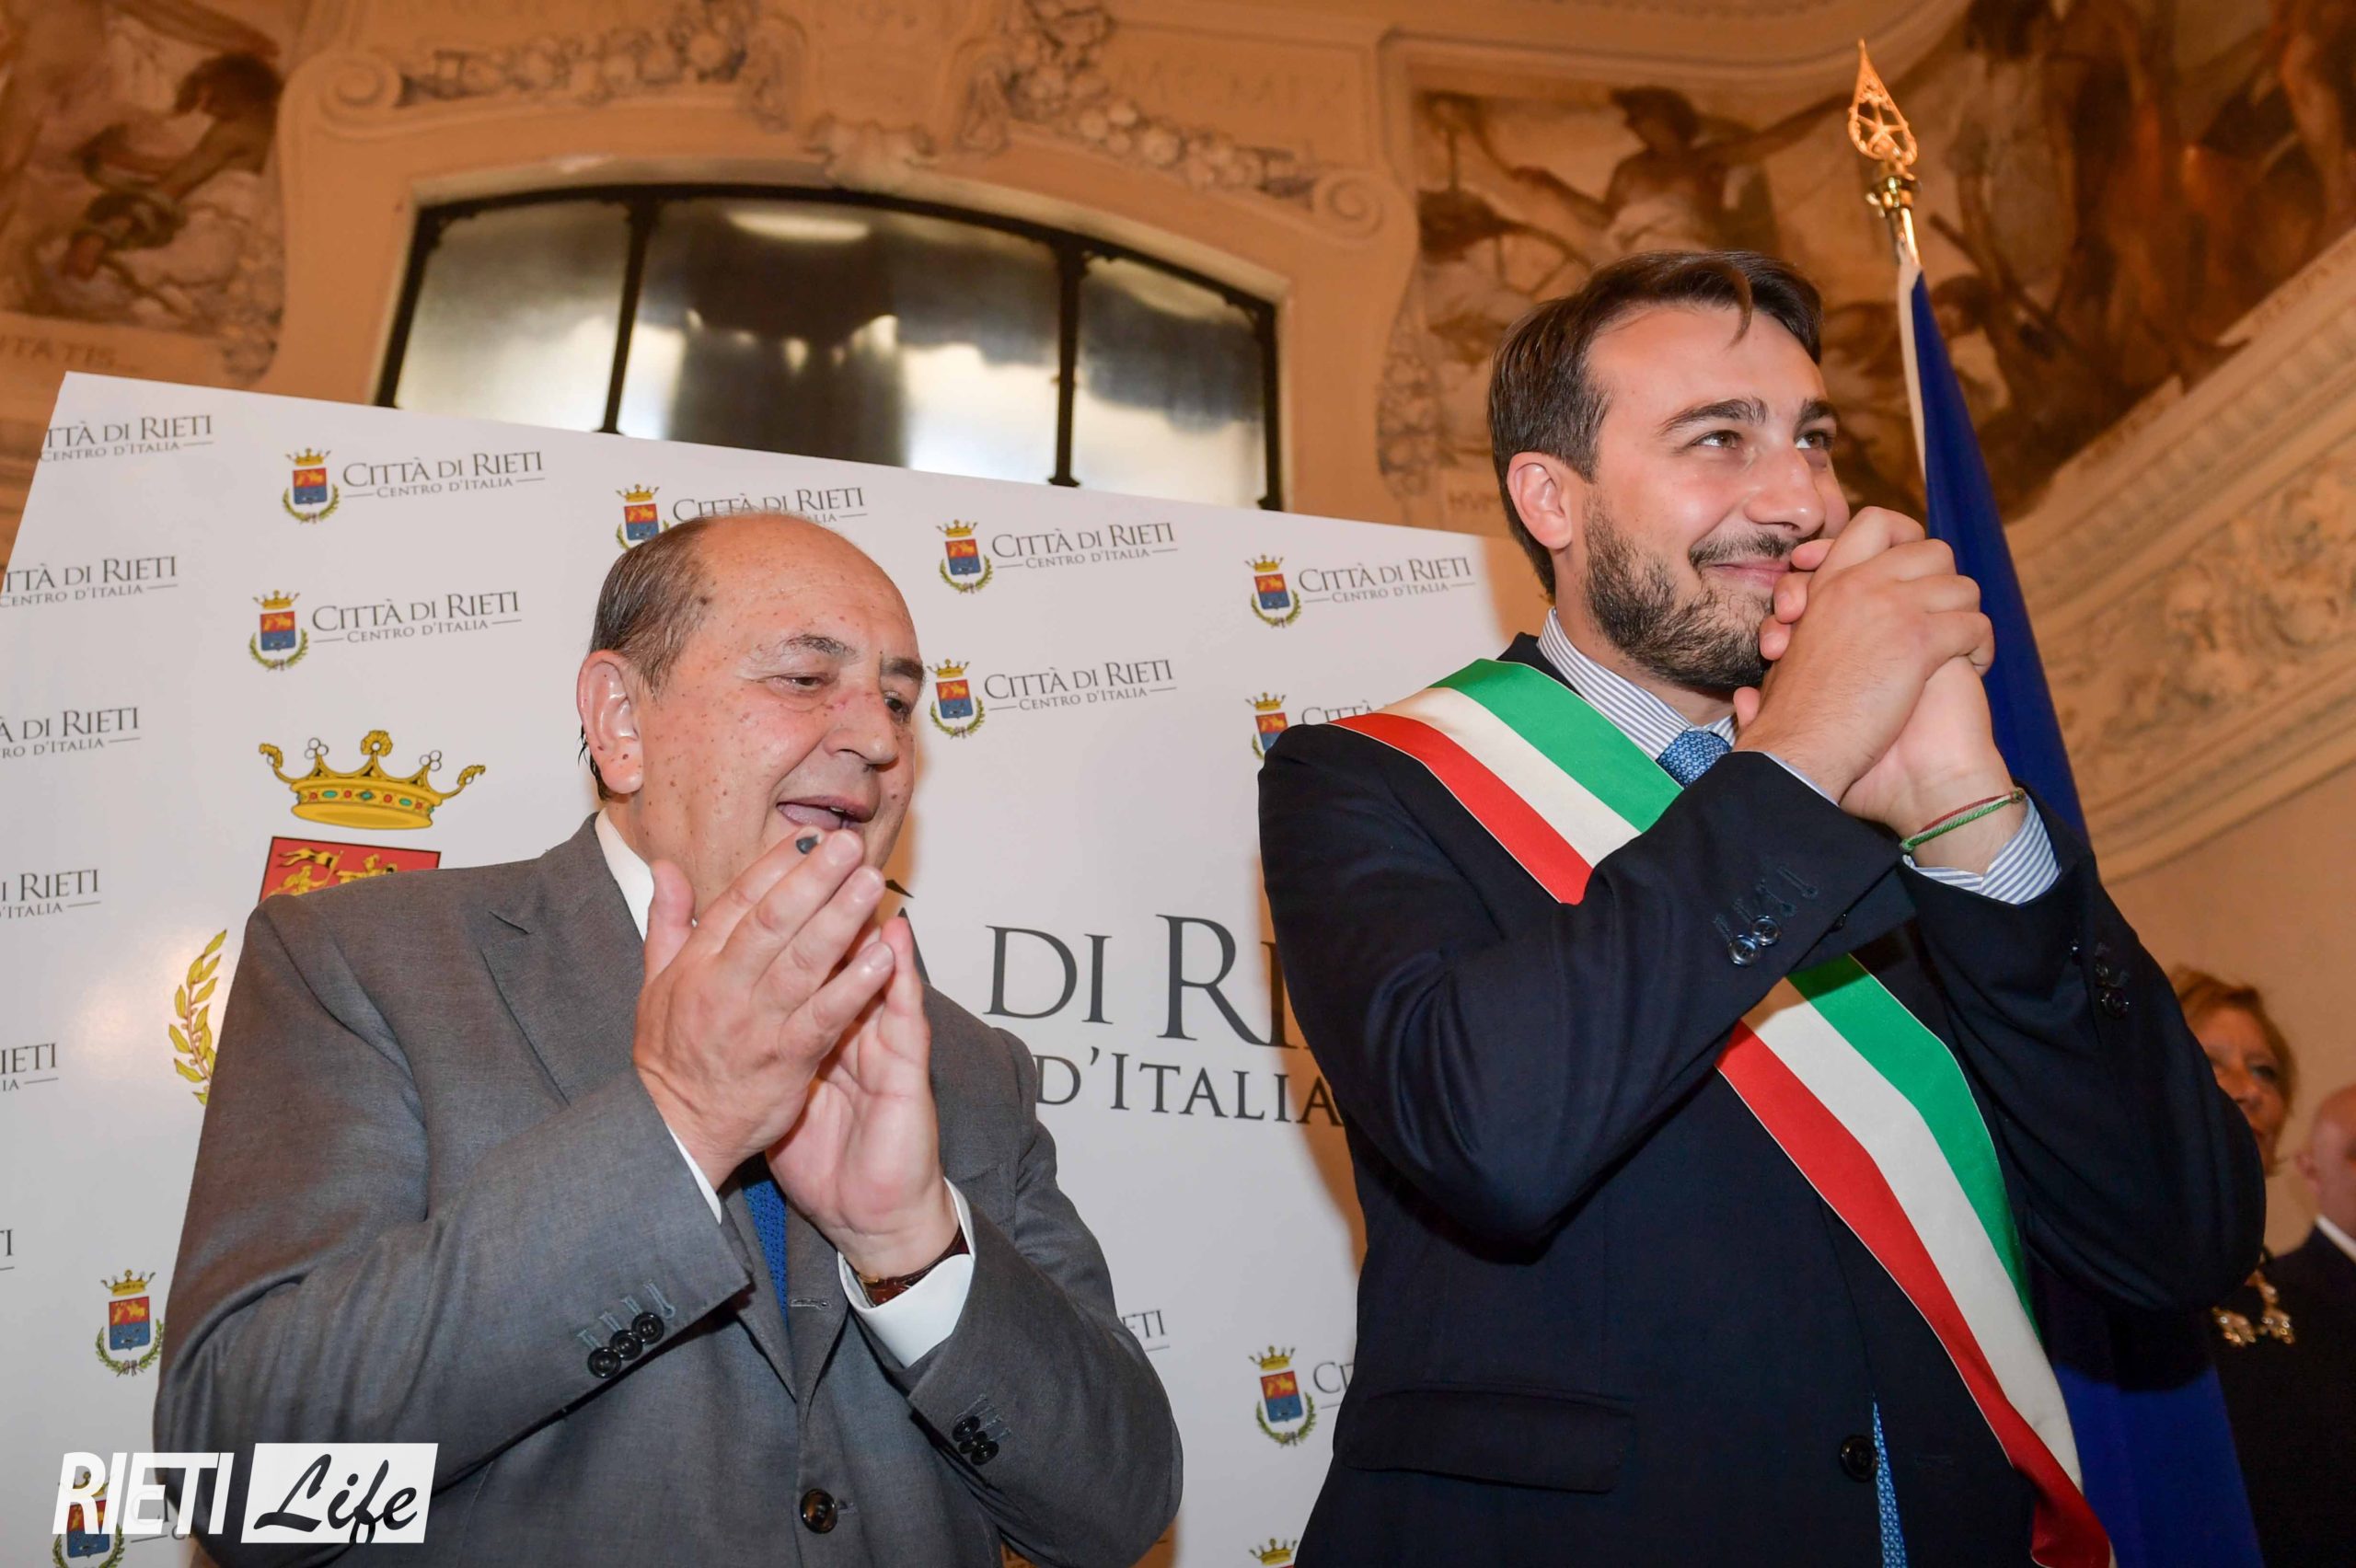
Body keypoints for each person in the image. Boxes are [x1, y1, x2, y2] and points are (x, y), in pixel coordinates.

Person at [1257, 249, 2261, 1566]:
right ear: (1551, 498)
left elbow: (2180, 1241)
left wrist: (1970, 813)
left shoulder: (1912, 809)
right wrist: (1797, 757)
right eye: (1718, 439)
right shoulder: (1373, 782)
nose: (1800, 500)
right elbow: (1490, 1136)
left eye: (1813, 440)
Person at [156, 514, 1181, 1565]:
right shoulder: (365, 964)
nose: (878, 739)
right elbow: (246, 1482)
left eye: (898, 701)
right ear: (621, 722)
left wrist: (912, 1252)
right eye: (804, 679)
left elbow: (1117, 1511)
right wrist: (680, 1126)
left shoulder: (965, 1065)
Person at [2183, 968, 2356, 1564]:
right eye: (2213, 1063)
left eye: (2265, 1071)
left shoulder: (2315, 1303)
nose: (2249, 1090)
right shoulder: (2114, 1300)